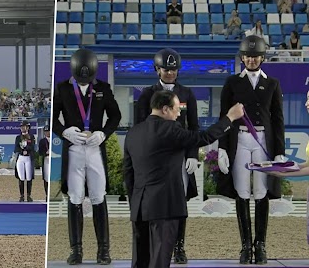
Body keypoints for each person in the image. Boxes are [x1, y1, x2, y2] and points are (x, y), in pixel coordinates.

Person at [124, 90, 244, 268]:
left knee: (140, 261)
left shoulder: (133, 133)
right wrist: (229, 118)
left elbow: (128, 173)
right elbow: (203, 137)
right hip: (165, 207)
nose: (179, 113)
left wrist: (135, 203)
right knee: (159, 260)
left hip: (140, 207)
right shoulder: (170, 129)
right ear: (165, 109)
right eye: (176, 108)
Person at [217, 35, 286, 265]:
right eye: (247, 55)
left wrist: (279, 151)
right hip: (240, 140)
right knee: (242, 191)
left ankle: (261, 245)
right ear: (242, 57)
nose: (251, 59)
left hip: (263, 142)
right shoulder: (232, 83)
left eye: (255, 56)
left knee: (261, 191)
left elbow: (277, 119)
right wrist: (223, 148)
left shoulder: (273, 83)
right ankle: (245, 246)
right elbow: (223, 117)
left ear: (262, 57)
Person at [52, 48, 122, 265]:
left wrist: (103, 133)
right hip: (73, 149)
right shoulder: (63, 88)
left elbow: (115, 115)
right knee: (75, 198)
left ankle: (103, 250)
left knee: (98, 197)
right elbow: (52, 117)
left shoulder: (103, 88)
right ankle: (76, 250)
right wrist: (64, 131)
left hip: (94, 148)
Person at [135, 48, 199, 264]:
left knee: (178, 201)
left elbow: (194, 127)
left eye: (173, 69)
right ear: (157, 70)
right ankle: (155, 246)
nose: (170, 73)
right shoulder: (146, 94)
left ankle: (179, 245)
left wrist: (192, 154)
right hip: (155, 156)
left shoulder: (187, 93)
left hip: (179, 156)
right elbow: (140, 127)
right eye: (166, 69)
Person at [13, 120, 36, 202]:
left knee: (29, 177)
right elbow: (16, 148)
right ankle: (22, 195)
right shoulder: (18, 137)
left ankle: (29, 195)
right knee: (21, 177)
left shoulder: (31, 137)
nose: (23, 128)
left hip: (28, 158)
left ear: (28, 128)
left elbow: (33, 147)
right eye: (22, 127)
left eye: (25, 127)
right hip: (21, 158)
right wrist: (21, 151)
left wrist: (27, 150)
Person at [38, 125, 51, 200]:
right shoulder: (42, 141)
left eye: (48, 131)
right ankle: (47, 194)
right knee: (46, 177)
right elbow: (40, 152)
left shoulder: (54, 139)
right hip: (46, 159)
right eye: (46, 132)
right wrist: (45, 153)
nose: (48, 133)